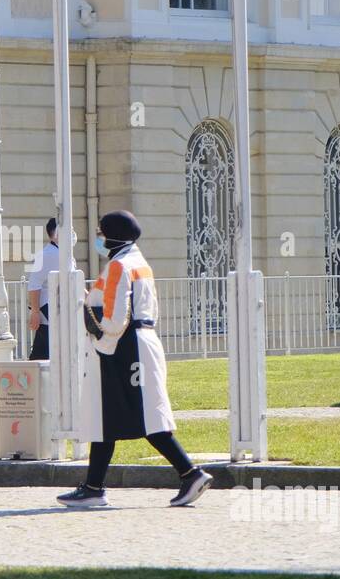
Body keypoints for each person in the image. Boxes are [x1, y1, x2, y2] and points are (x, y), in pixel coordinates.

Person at [58, 210, 213, 509]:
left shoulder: (118, 265)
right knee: (111, 416)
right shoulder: (138, 262)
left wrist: (97, 334)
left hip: (124, 346)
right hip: (140, 342)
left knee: (138, 416)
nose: (99, 238)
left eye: (101, 233)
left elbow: (116, 319)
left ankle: (189, 473)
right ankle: (94, 486)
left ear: (113, 235)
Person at [26, 218, 60, 360]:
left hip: (58, 311)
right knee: (42, 356)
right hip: (48, 313)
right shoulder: (47, 255)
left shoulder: (61, 254)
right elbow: (34, 284)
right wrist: (35, 312)